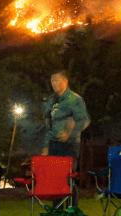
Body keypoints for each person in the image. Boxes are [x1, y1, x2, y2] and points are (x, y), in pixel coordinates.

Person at [41, 70, 90, 207]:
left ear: (65, 81)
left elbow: (84, 120)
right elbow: (49, 125)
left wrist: (69, 132)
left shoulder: (75, 99)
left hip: (69, 145)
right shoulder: (51, 101)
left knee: (68, 178)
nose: (54, 84)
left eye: (57, 80)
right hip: (53, 145)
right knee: (55, 180)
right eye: (52, 81)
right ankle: (57, 210)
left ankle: (71, 209)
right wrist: (45, 146)